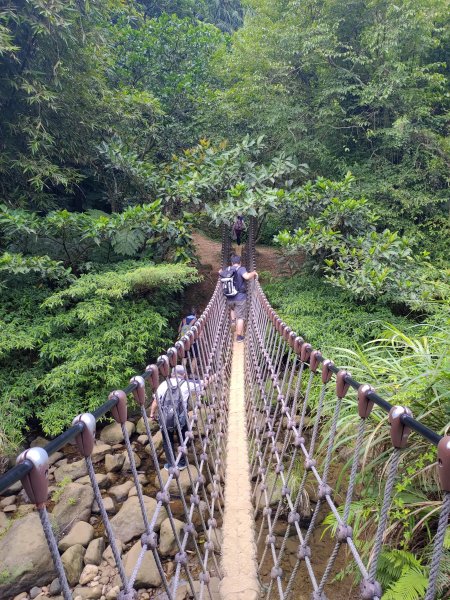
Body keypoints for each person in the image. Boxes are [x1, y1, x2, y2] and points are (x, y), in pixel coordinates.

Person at [150, 365, 202, 471]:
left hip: (165, 418)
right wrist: (215, 375)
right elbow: (203, 383)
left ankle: (171, 465)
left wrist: (152, 414)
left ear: (171, 374)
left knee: (167, 441)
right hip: (181, 418)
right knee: (183, 439)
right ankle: (182, 463)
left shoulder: (163, 384)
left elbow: (156, 401)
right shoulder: (187, 384)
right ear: (184, 374)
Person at [219, 254, 258, 342]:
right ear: (240, 262)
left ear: (232, 262)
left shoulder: (228, 269)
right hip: (240, 297)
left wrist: (220, 271)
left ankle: (233, 321)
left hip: (229, 297)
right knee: (240, 317)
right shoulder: (241, 269)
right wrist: (254, 273)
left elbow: (220, 272)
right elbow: (247, 276)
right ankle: (239, 337)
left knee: (232, 309)